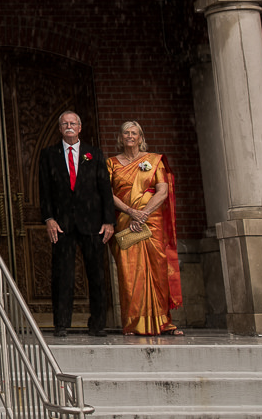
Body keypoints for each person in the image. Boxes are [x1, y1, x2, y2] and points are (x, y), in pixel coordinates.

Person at [38, 110, 115, 337]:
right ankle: (61, 324)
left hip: (92, 223)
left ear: (80, 128)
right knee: (63, 274)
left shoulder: (94, 154)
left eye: (73, 123)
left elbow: (105, 191)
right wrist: (49, 218)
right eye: (65, 124)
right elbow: (44, 190)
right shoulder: (49, 155)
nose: (69, 126)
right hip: (62, 224)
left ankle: (97, 324)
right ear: (60, 129)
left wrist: (109, 221)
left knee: (96, 275)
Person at [108, 121, 184, 336]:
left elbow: (162, 190)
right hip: (125, 220)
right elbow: (107, 192)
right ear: (120, 138)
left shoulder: (154, 161)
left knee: (158, 270)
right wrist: (131, 212)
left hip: (152, 222)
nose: (130, 136)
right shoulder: (111, 163)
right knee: (130, 272)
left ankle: (163, 322)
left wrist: (144, 213)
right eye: (126, 133)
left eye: (134, 133)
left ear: (141, 138)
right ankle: (133, 323)